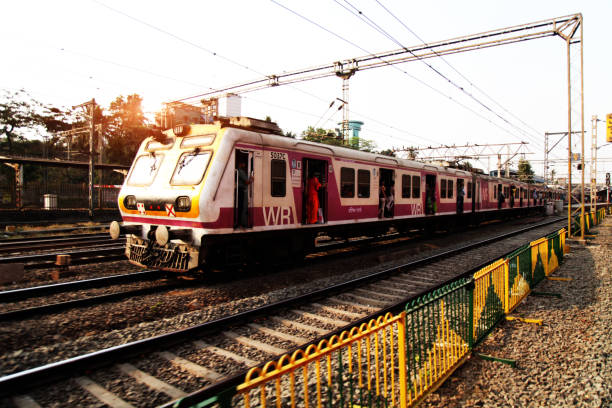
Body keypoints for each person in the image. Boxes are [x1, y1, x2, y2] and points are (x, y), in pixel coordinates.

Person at [237, 161, 252, 228]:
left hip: (239, 190)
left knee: (240, 206)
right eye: (243, 163)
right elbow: (247, 182)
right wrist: (251, 179)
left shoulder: (239, 171)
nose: (244, 164)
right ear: (240, 164)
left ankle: (239, 223)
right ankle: (240, 223)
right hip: (241, 190)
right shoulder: (241, 171)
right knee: (241, 207)